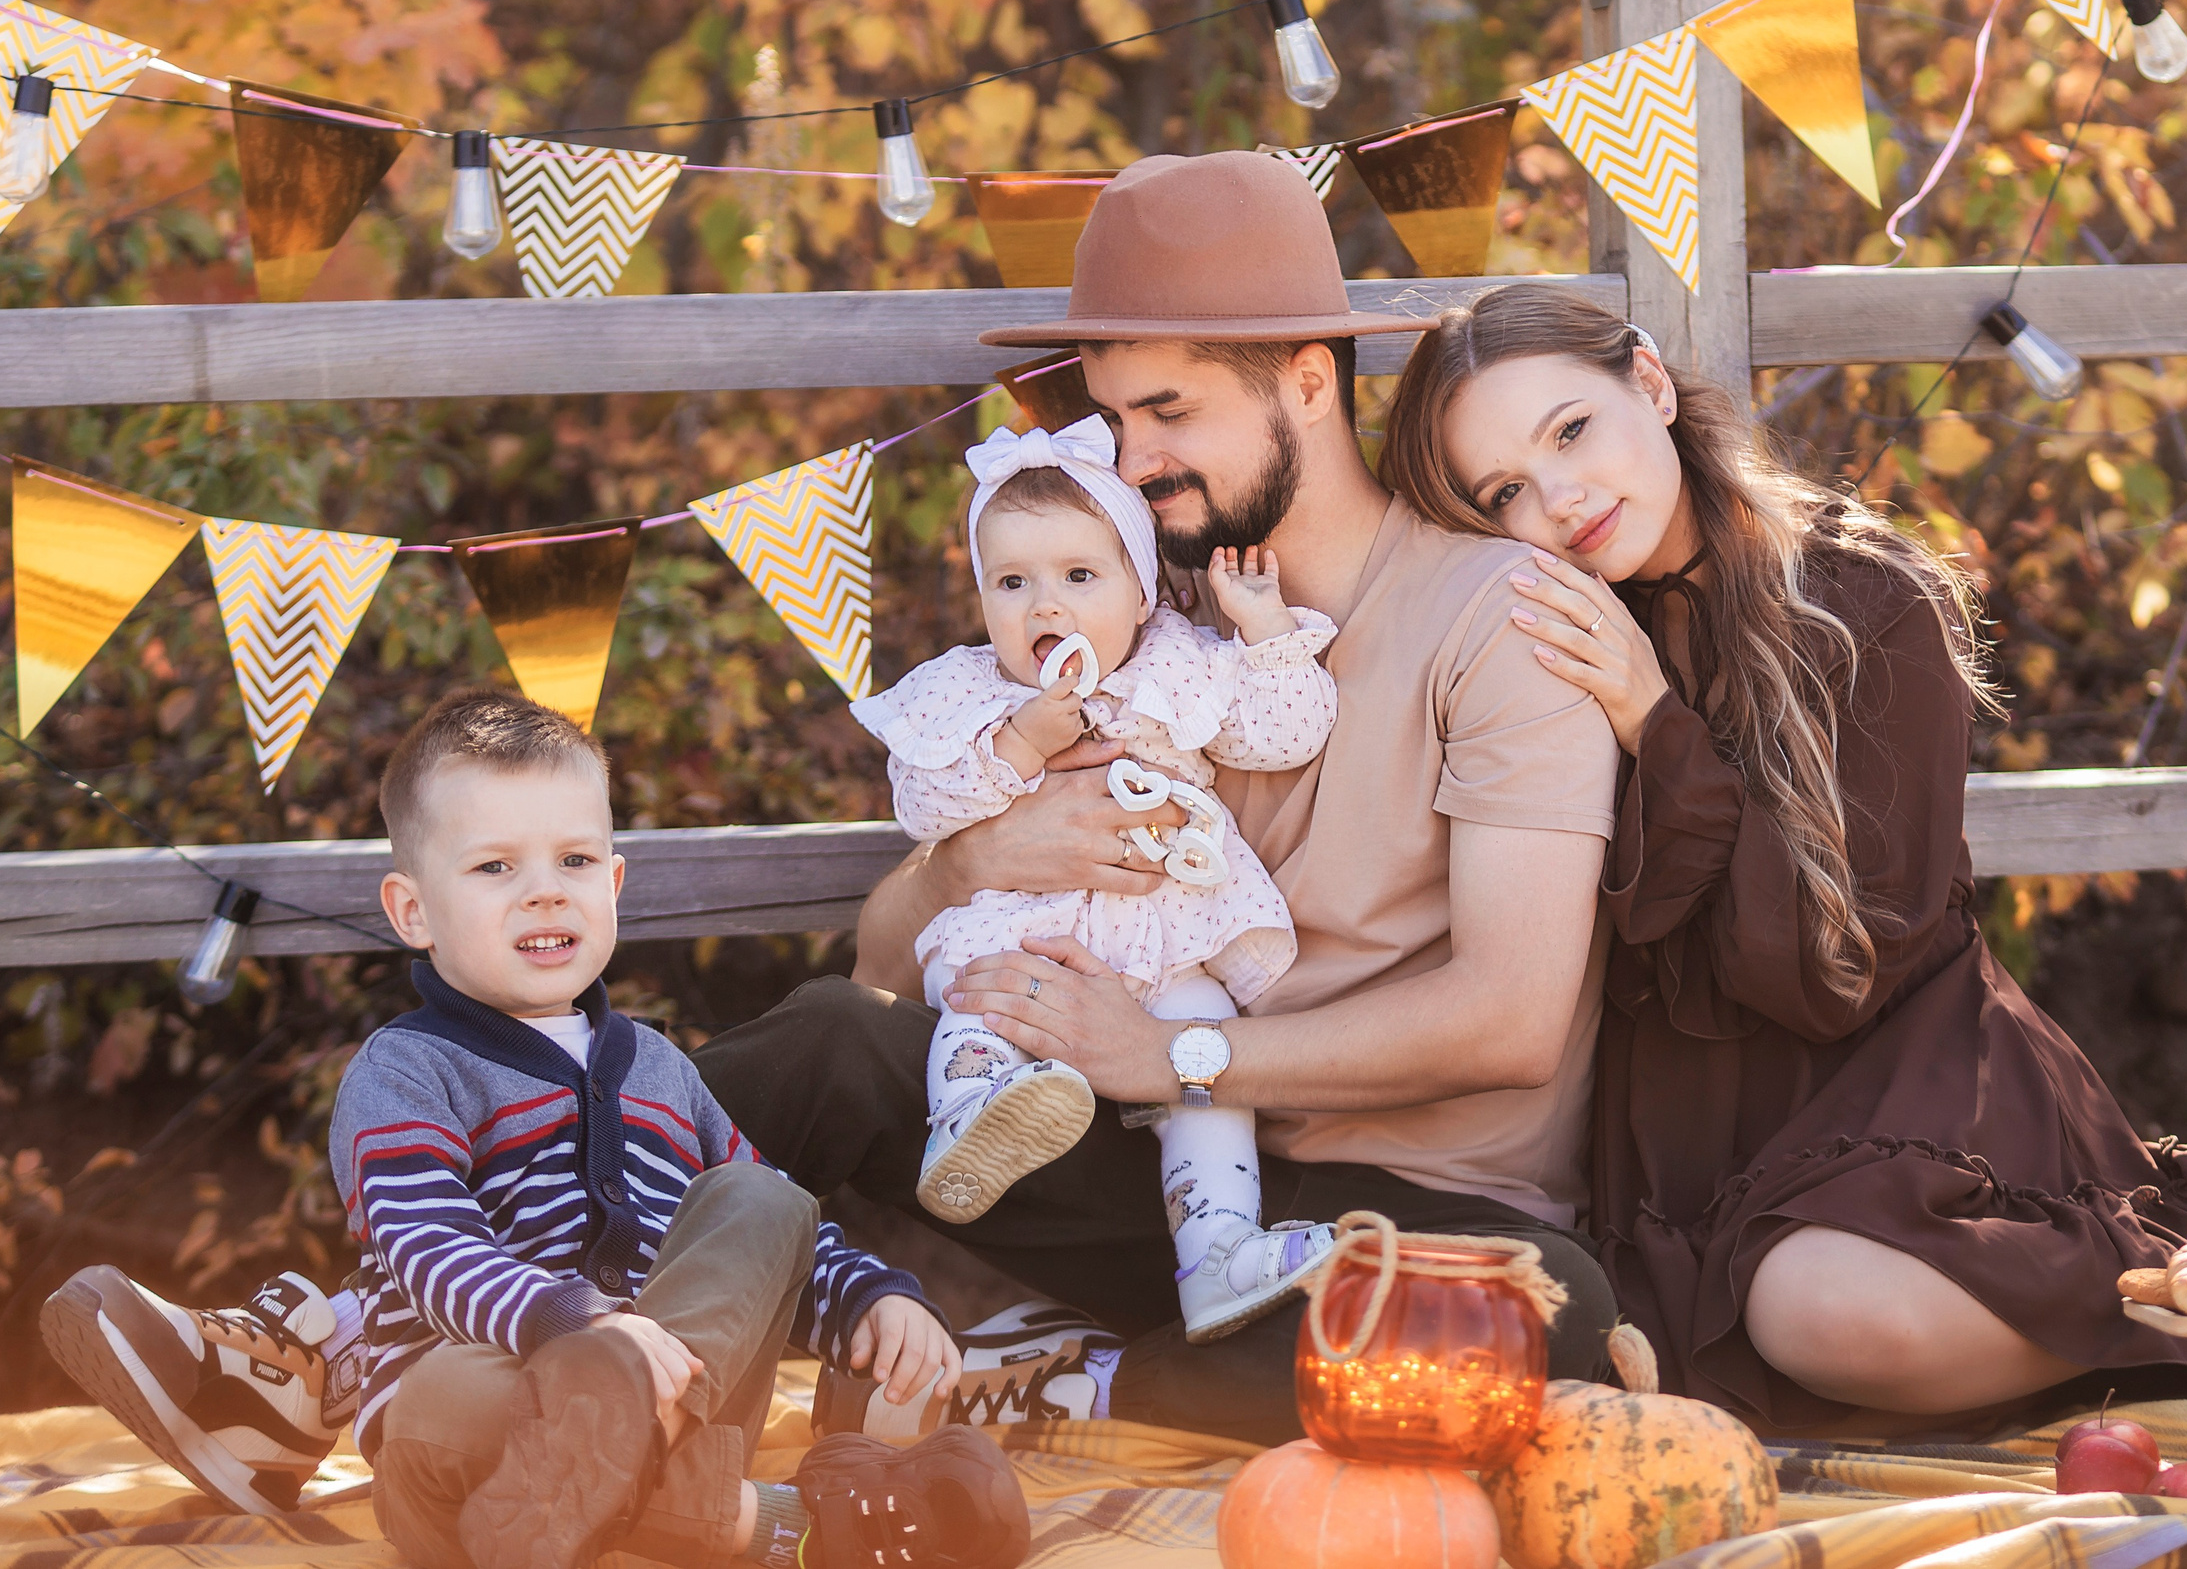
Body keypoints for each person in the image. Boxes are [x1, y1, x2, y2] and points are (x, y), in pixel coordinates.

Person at [693, 151, 1626, 1448]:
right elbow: (887, 957)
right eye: (1114, 415)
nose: (1130, 458)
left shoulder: (1496, 620)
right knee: (827, 1039)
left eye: (1169, 411)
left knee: (1548, 1311)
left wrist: (1173, 1053)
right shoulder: (1130, 612)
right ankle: (499, 1310)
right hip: (1140, 1158)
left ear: (1308, 378)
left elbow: (1513, 1017)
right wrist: (979, 861)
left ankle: (1085, 1378)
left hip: (1388, 1208)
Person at [1377, 281, 2187, 1431]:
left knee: (1814, 1316)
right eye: (1506, 493)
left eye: (1570, 431)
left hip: (1909, 1095)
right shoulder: (1534, 643)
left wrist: (1657, 730)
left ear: (1644, 382)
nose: (1562, 498)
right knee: (1644, 1346)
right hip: (1686, 1140)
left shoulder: (1864, 602)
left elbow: (1839, 971)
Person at [45, 689, 1027, 1569]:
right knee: (445, 1390)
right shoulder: (406, 1069)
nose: (544, 889)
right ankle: (755, 1521)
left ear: (614, 884)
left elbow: (770, 1252)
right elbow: (425, 1244)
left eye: (572, 860)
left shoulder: (662, 1070)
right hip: (478, 1425)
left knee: (762, 1198)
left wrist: (871, 1302)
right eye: (494, 866)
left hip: (660, 1413)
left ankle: (672, 1502)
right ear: (413, 910)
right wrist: (575, 1328)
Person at [848, 413, 1343, 1341]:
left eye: (1079, 577)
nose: (1047, 608)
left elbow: (1286, 733)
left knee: (1207, 1057)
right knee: (984, 994)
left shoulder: (1176, 668)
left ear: (1142, 590)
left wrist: (1266, 629)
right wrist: (1017, 741)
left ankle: (1220, 1247)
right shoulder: (973, 693)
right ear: (983, 595)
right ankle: (974, 1114)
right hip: (1021, 931)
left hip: (1162, 943)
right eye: (1014, 582)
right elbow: (923, 801)